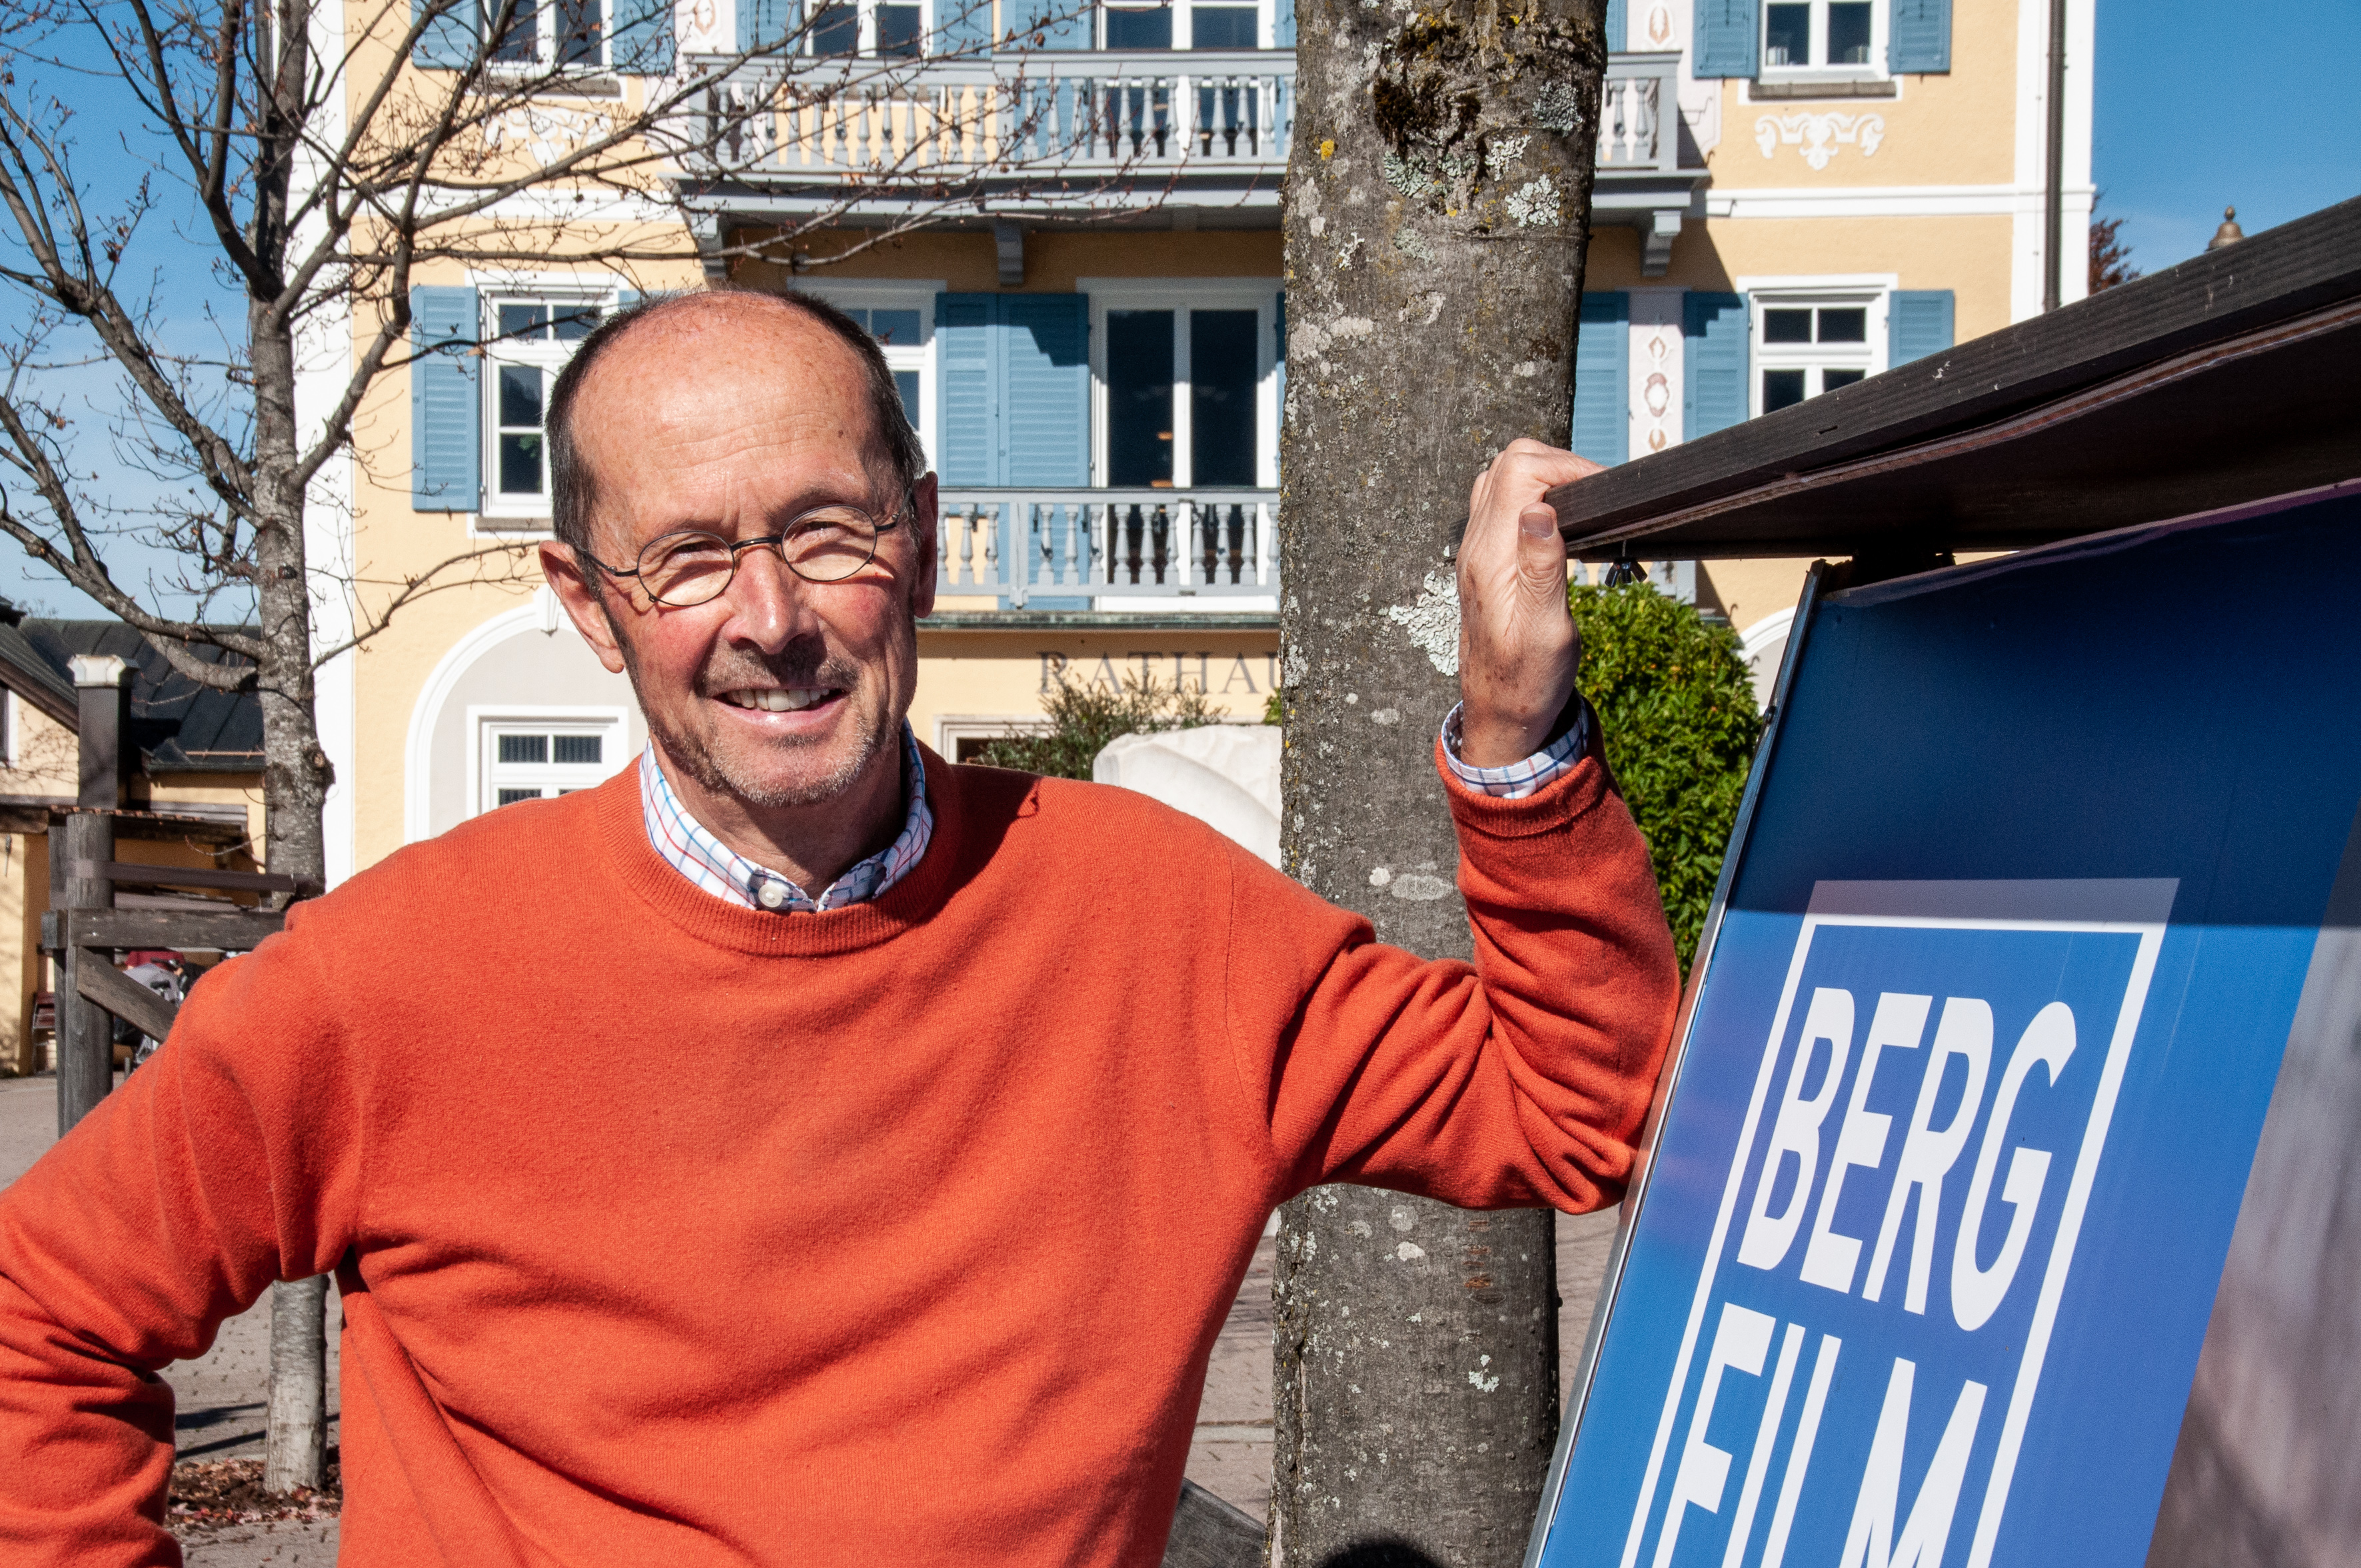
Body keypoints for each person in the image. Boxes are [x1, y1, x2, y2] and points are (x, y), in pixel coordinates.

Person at [0, 289, 1679, 1567]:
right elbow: (42, 1314)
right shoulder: (394, 978)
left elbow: (1578, 1105)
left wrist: (1516, 732)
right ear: (588, 606)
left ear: (924, 543)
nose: (774, 619)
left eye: (826, 530)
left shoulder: (1158, 922)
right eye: (686, 558)